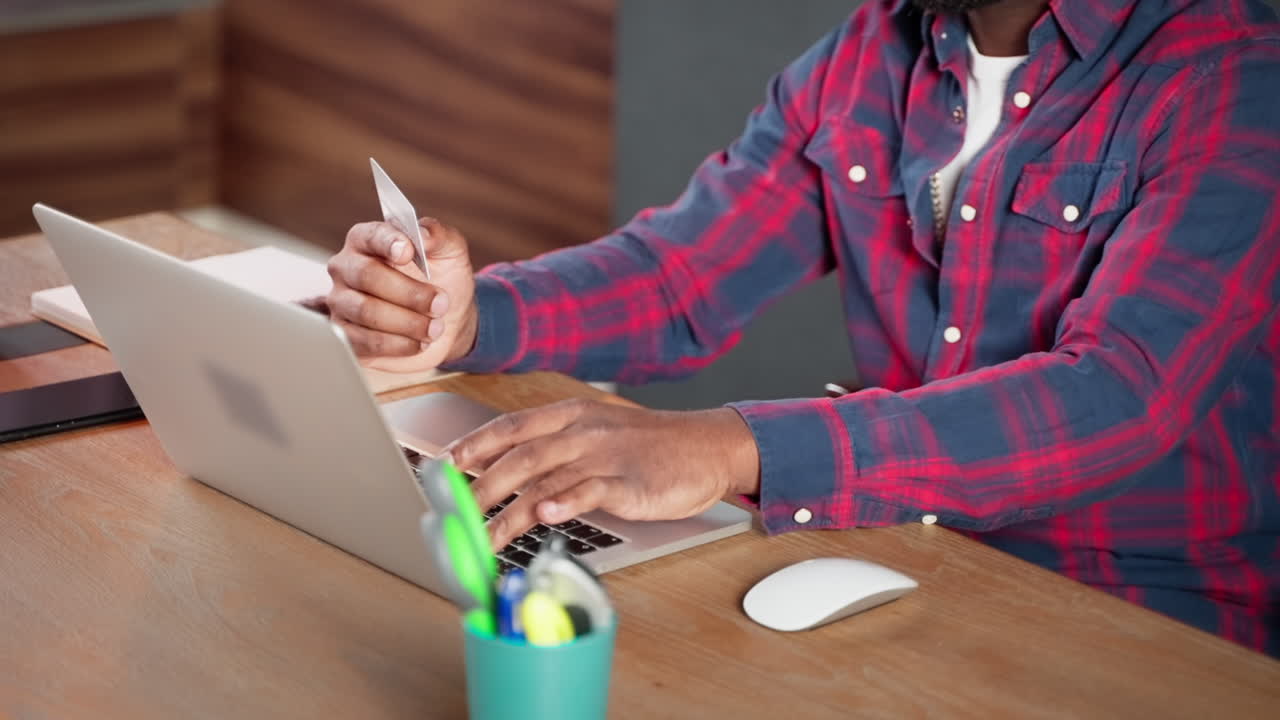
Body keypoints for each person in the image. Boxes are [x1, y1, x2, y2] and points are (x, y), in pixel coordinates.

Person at [326, 0, 1280, 655]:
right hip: (907, 557)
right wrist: (475, 315)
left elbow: (1120, 395)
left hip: (1152, 621)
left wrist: (733, 447)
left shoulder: (1235, 76)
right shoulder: (874, 49)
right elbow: (680, 275)